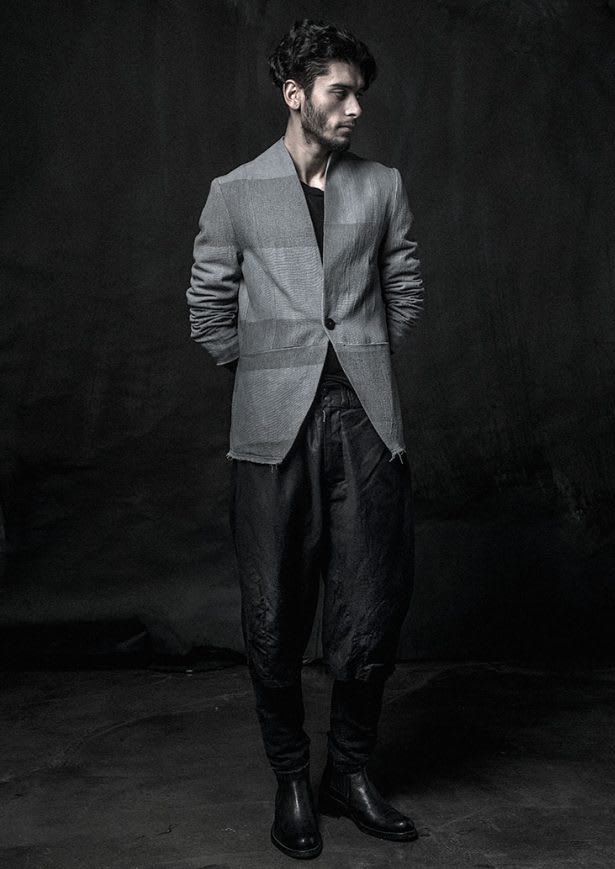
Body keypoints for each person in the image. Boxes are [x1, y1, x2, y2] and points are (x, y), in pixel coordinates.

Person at [186, 19, 424, 860]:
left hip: (365, 420)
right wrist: (267, 374)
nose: (355, 108)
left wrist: (363, 359)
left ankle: (348, 773)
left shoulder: (382, 185)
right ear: (296, 96)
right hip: (271, 429)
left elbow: (404, 284)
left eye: (360, 94)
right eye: (339, 92)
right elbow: (208, 305)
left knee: (368, 604)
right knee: (273, 610)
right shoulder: (235, 191)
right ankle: (292, 778)